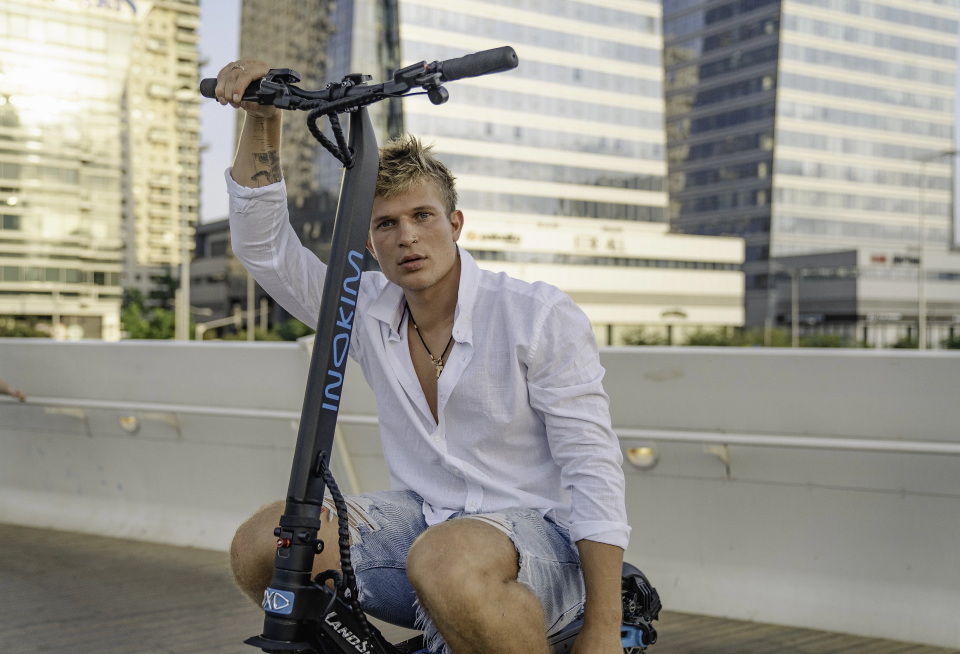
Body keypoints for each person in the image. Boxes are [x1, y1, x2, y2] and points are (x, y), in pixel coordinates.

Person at [217, 60, 630, 654]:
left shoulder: (536, 315)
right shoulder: (359, 307)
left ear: (455, 224)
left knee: (445, 560)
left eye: (422, 216)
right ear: (369, 243)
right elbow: (266, 250)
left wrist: (604, 628)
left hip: (544, 540)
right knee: (264, 546)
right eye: (386, 224)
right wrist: (262, 117)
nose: (407, 236)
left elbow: (594, 469)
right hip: (424, 524)